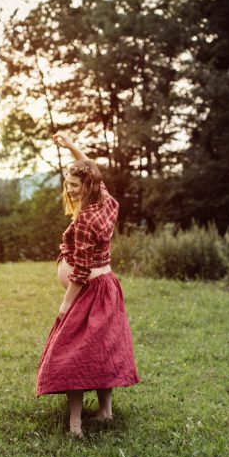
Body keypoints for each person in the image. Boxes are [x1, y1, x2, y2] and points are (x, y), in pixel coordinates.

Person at [36, 133, 140, 438]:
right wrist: (70, 147)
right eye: (67, 184)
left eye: (75, 186)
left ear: (88, 187)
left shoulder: (85, 222)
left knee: (73, 355)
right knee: (104, 350)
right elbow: (93, 169)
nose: (70, 190)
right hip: (108, 285)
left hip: (89, 291)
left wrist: (65, 304)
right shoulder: (105, 202)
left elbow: (80, 272)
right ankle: (105, 412)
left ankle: (75, 426)